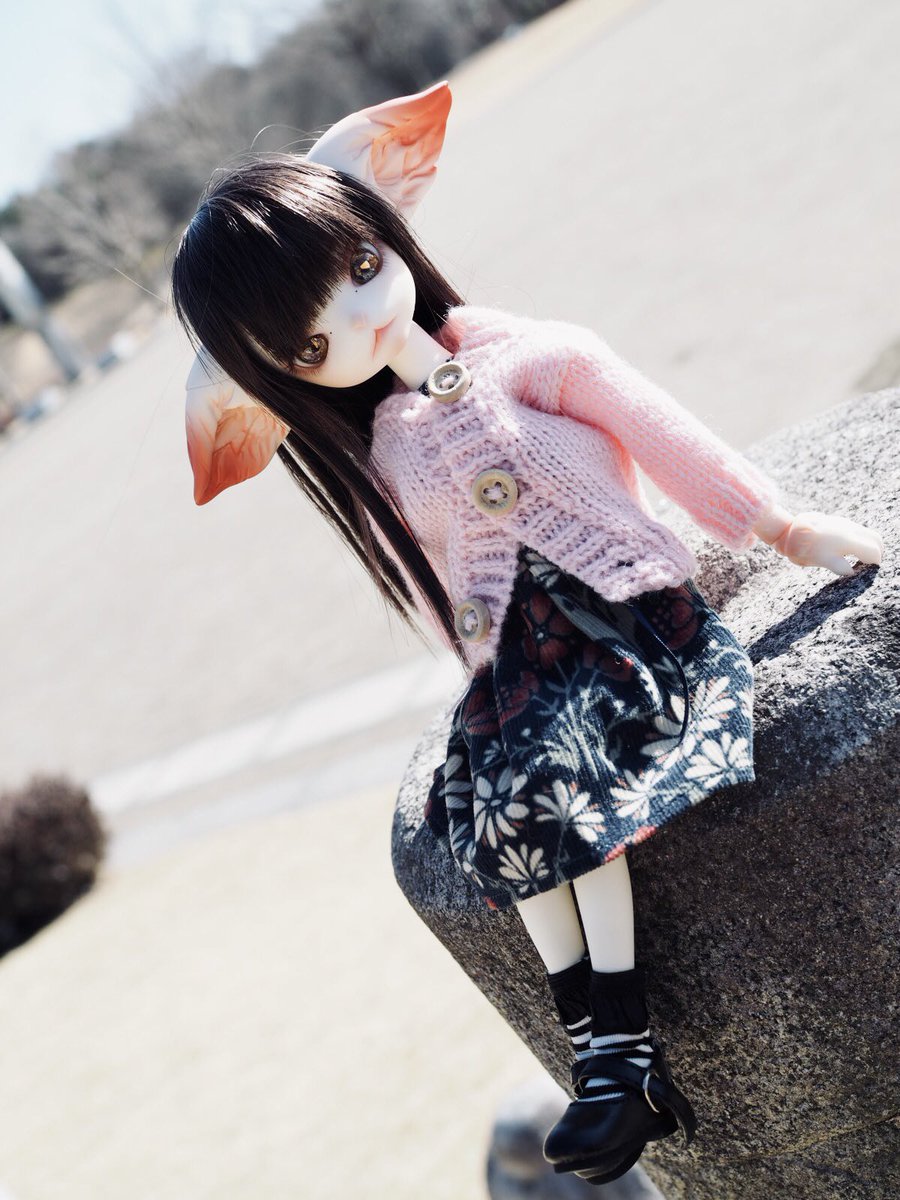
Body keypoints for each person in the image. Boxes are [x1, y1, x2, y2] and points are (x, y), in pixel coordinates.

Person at [170, 82, 883, 1184]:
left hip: (625, 618)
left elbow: (657, 430)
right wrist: (482, 672)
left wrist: (779, 526)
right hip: (524, 660)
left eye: (360, 267)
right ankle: (604, 1053)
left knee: (558, 793)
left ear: (383, 232)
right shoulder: (389, 448)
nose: (360, 320)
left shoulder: (525, 356)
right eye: (312, 343)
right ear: (286, 380)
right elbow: (448, 579)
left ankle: (619, 1050)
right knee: (493, 808)